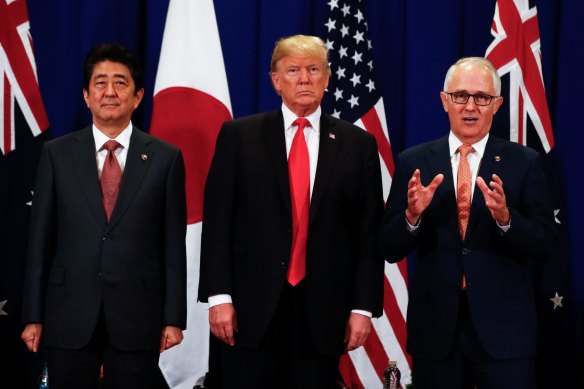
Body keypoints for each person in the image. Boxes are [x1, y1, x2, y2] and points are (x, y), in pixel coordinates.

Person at [198, 34, 385, 388]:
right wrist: (219, 297)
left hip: (323, 311)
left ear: (327, 79)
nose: (304, 79)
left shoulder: (357, 143)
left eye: (314, 69)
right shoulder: (239, 136)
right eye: (294, 70)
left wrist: (363, 307)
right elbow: (219, 221)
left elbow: (368, 231)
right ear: (275, 80)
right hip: (248, 309)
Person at [378, 56, 559, 389]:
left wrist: (507, 220)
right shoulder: (414, 162)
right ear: (445, 101)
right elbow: (388, 248)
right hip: (436, 331)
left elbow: (545, 243)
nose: (470, 105)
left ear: (497, 104)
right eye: (460, 95)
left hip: (505, 331)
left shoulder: (524, 163)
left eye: (482, 97)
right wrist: (411, 217)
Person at [20, 43, 187, 388]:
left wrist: (173, 318)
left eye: (121, 83)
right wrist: (33, 315)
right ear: (86, 95)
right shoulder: (56, 154)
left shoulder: (165, 159)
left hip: (137, 316)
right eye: (100, 82)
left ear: (138, 96)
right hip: (68, 313)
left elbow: (172, 246)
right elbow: (40, 242)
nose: (110, 92)